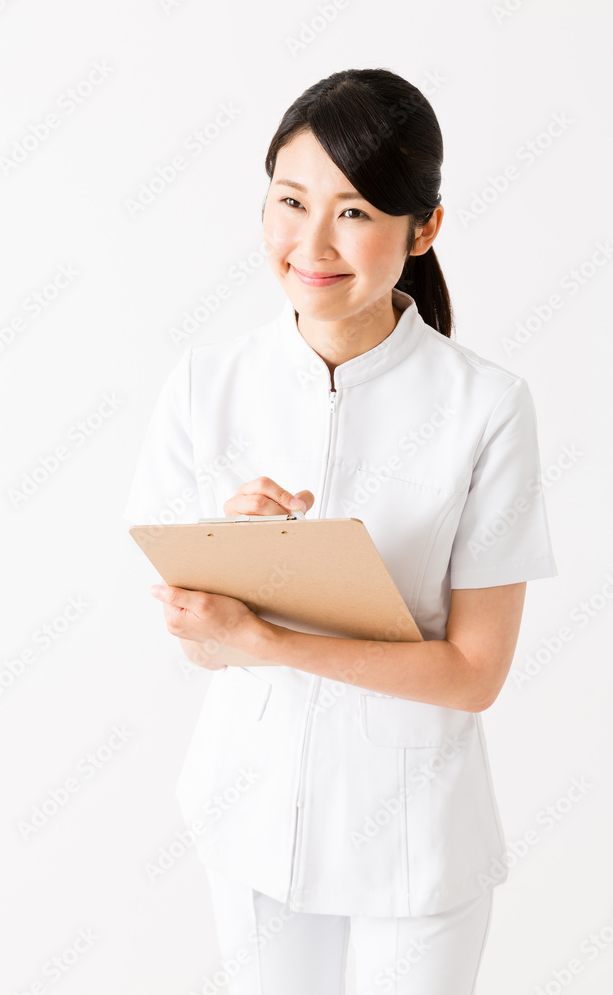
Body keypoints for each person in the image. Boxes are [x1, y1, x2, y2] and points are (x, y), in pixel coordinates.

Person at [124, 67, 558, 995]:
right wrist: (224, 572)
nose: (310, 243)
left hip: (415, 836)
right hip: (247, 817)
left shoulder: (485, 406)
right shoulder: (207, 386)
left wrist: (267, 637)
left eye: (355, 212)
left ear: (425, 226)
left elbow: (474, 674)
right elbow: (198, 648)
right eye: (289, 201)